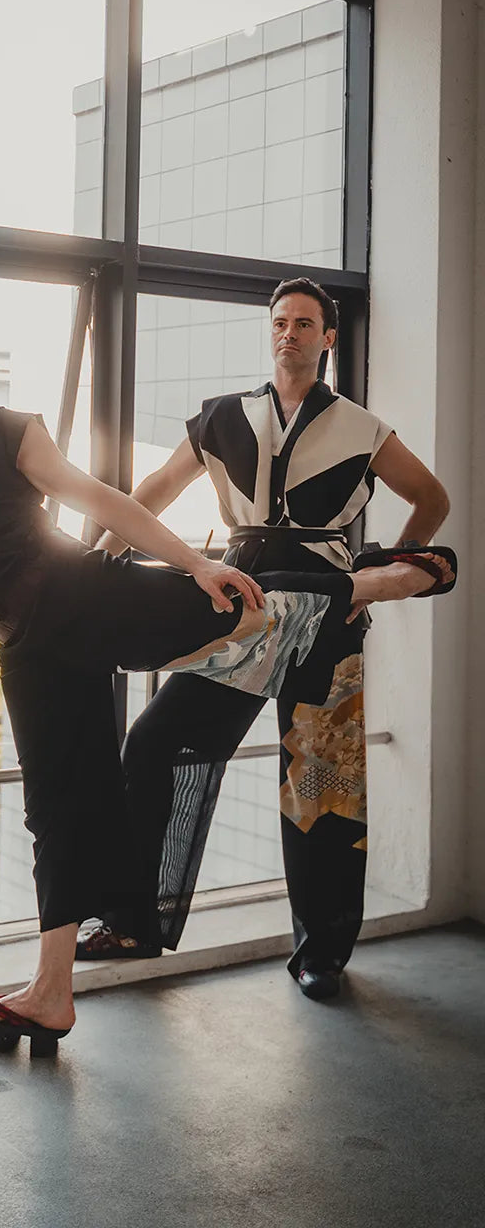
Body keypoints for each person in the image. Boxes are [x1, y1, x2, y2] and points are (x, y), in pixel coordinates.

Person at [0, 285, 451, 1049]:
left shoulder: (14, 428)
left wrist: (193, 562)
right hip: (33, 638)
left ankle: (387, 580)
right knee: (67, 799)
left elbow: (96, 494)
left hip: (140, 597)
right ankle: (66, 978)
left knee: (269, 675)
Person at [76, 278, 452, 1001]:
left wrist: (382, 563)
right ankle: (135, 921)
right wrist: (93, 555)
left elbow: (432, 497)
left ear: (328, 338)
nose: (290, 333)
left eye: (305, 324)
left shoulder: (361, 427)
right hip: (240, 603)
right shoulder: (222, 417)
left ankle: (323, 954)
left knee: (325, 782)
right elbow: (149, 491)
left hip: (326, 613)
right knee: (154, 741)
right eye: (280, 322)